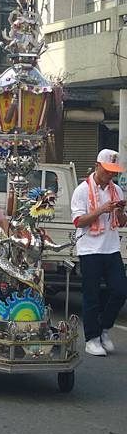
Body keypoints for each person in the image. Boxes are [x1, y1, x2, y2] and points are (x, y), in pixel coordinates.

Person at [71, 149, 127, 356]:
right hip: (90, 249)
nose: (110, 175)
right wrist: (101, 209)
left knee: (121, 290)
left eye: (114, 171)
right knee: (91, 295)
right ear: (97, 166)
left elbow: (121, 223)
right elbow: (78, 221)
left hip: (111, 247)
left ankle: (104, 328)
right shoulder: (82, 190)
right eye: (107, 170)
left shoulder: (117, 190)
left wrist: (120, 212)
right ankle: (92, 339)